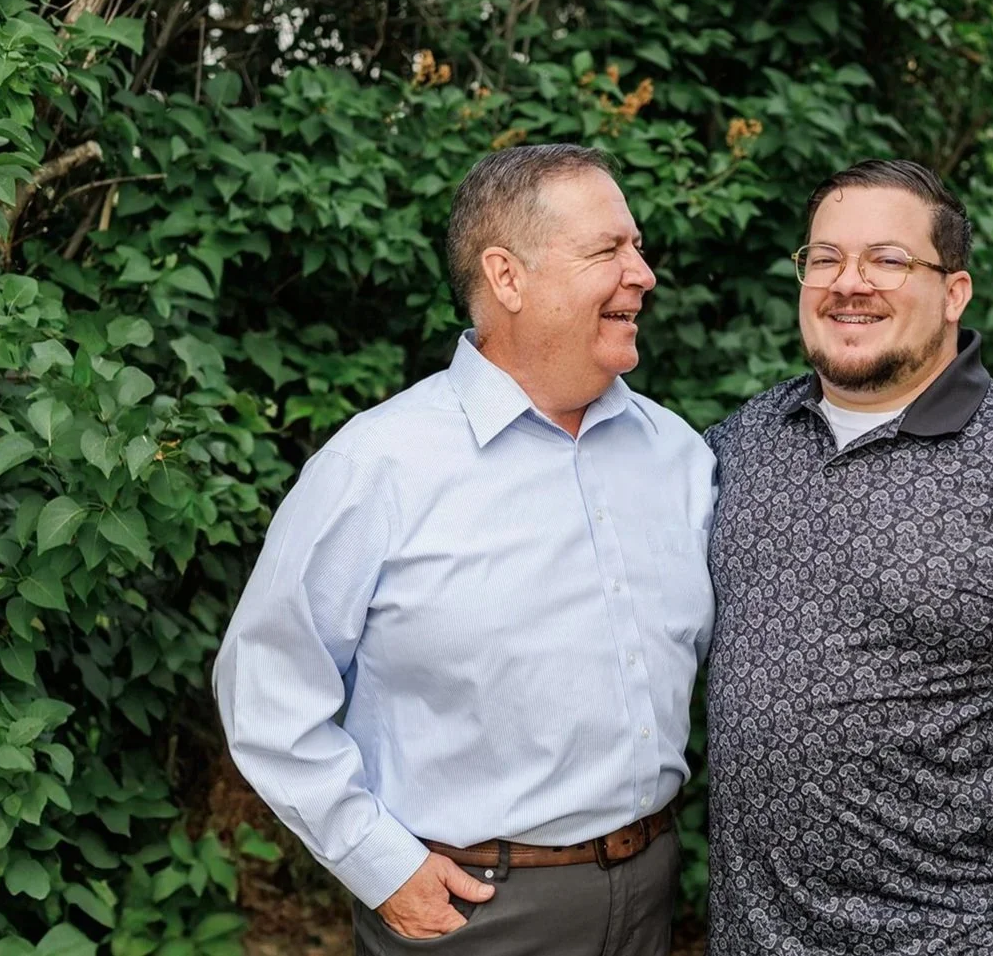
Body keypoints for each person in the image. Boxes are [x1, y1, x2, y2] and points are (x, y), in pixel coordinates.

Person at [213, 144, 715, 956]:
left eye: (638, 246)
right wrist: (380, 865)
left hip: (650, 893)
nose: (642, 273)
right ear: (506, 277)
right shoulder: (378, 466)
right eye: (607, 250)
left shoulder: (679, 455)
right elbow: (266, 690)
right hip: (474, 910)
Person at [702, 159, 993, 956]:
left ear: (953, 292)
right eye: (824, 258)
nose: (848, 282)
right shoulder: (741, 445)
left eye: (887, 259)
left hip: (960, 935)